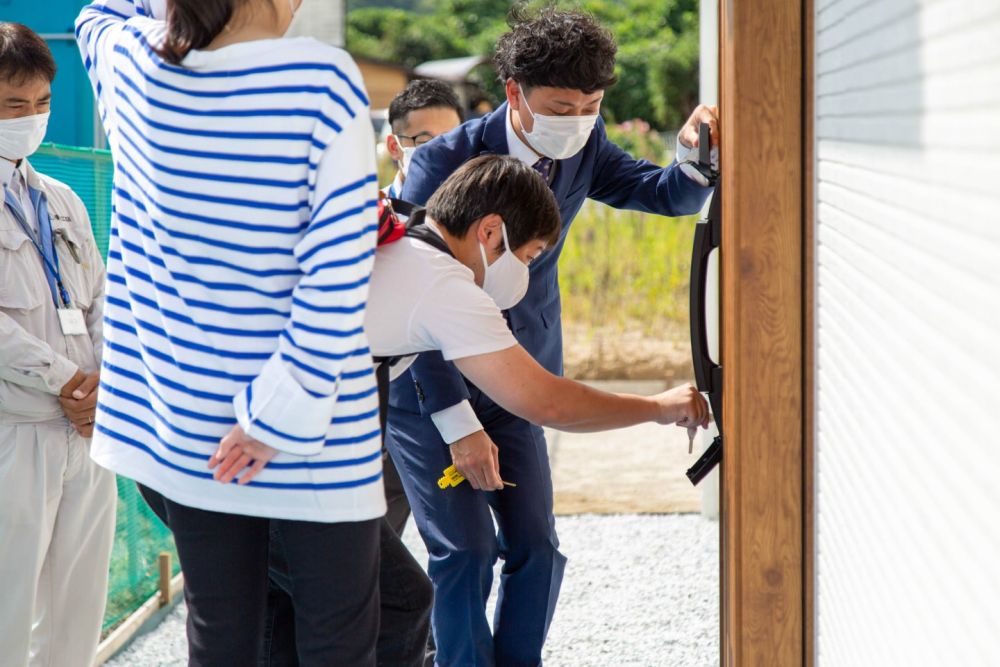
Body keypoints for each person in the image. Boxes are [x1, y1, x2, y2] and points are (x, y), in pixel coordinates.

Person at [268, 154, 709, 663]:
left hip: (214, 438)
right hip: (264, 460)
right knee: (399, 602)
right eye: (528, 255)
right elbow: (548, 401)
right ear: (491, 231)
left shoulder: (408, 238)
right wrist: (658, 406)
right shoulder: (443, 284)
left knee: (277, 616)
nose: (524, 271)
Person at [390, 8, 722, 666]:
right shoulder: (439, 164)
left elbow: (666, 196)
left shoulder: (583, 147)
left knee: (537, 549)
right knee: (464, 552)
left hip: (522, 379)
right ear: (513, 92)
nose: (576, 119)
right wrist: (458, 422)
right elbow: (412, 307)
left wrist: (694, 155)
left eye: (592, 105)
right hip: (435, 394)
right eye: (560, 105)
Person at [75, 1, 384, 665]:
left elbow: (99, 11)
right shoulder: (321, 81)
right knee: (339, 641)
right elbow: (337, 269)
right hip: (315, 442)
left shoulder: (131, 65)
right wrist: (273, 414)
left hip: (187, 431)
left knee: (221, 636)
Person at [0, 22, 116, 667]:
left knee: (78, 605)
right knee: (8, 601)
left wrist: (99, 386)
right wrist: (66, 381)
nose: (31, 118)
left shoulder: (61, 197)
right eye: (14, 105)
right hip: (16, 428)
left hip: (86, 429)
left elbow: (98, 300)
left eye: (41, 103)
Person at [383, 78, 464, 206]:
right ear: (394, 147)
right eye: (425, 142)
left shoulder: (481, 214)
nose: (440, 152)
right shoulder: (372, 216)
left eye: (450, 140)